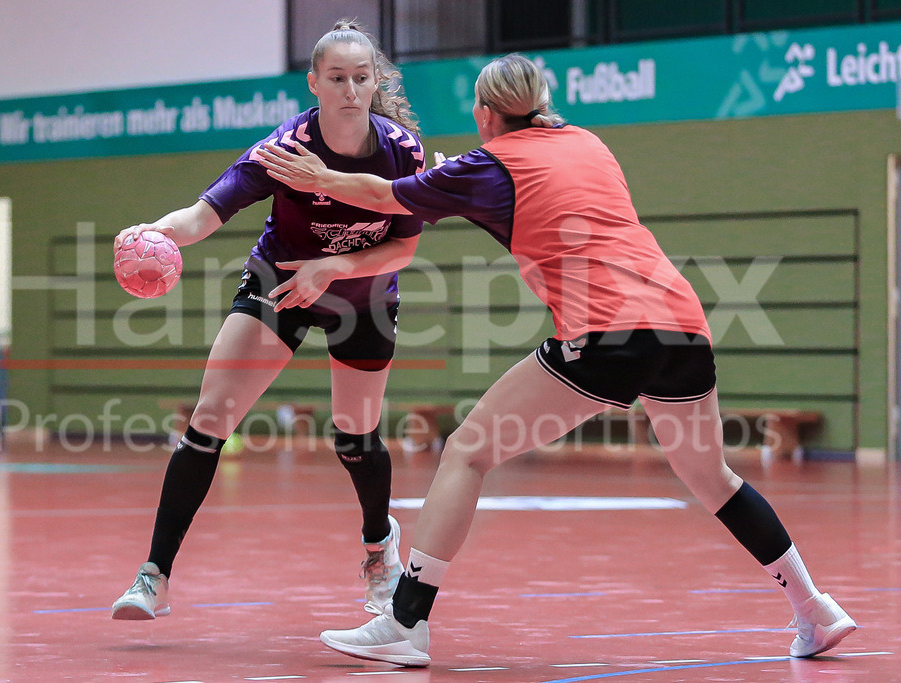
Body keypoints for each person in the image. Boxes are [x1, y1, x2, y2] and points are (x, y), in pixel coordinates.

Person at [257, 53, 857, 666]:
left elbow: (385, 195)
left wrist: (317, 177)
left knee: (467, 450)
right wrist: (457, 182)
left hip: (607, 331)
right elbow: (553, 206)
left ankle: (405, 622)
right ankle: (813, 608)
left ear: (485, 114)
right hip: (682, 326)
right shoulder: (589, 144)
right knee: (712, 478)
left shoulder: (486, 165)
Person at [110, 20, 427, 621]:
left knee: (354, 435)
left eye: (362, 78)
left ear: (374, 81)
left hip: (363, 295)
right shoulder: (284, 150)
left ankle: (379, 550)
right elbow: (206, 214)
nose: (351, 90)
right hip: (280, 283)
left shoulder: (399, 150)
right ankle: (154, 575)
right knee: (210, 417)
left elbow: (404, 249)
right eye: (337, 78)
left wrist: (330, 269)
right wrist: (155, 230)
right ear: (314, 82)